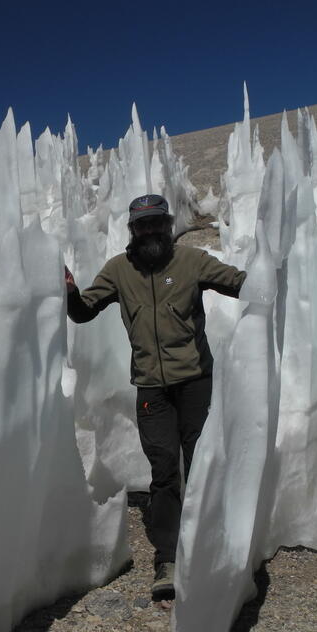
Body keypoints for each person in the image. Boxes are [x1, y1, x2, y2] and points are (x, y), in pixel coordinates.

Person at [65, 194, 246, 599]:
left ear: (168, 225)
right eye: (142, 225)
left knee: (200, 461)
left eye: (156, 224)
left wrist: (275, 271)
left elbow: (240, 284)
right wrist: (69, 292)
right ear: (132, 230)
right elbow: (84, 311)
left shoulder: (192, 262)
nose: (150, 231)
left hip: (196, 380)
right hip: (151, 387)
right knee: (163, 469)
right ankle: (168, 557)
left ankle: (210, 545)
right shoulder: (119, 270)